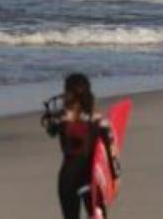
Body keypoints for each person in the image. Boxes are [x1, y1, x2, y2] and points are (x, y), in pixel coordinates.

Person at [42, 73, 120, 219]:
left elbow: (49, 130)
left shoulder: (61, 119)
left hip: (67, 179)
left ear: (70, 94)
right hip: (91, 177)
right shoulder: (99, 120)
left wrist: (50, 117)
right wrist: (115, 177)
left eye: (65, 91)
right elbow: (111, 151)